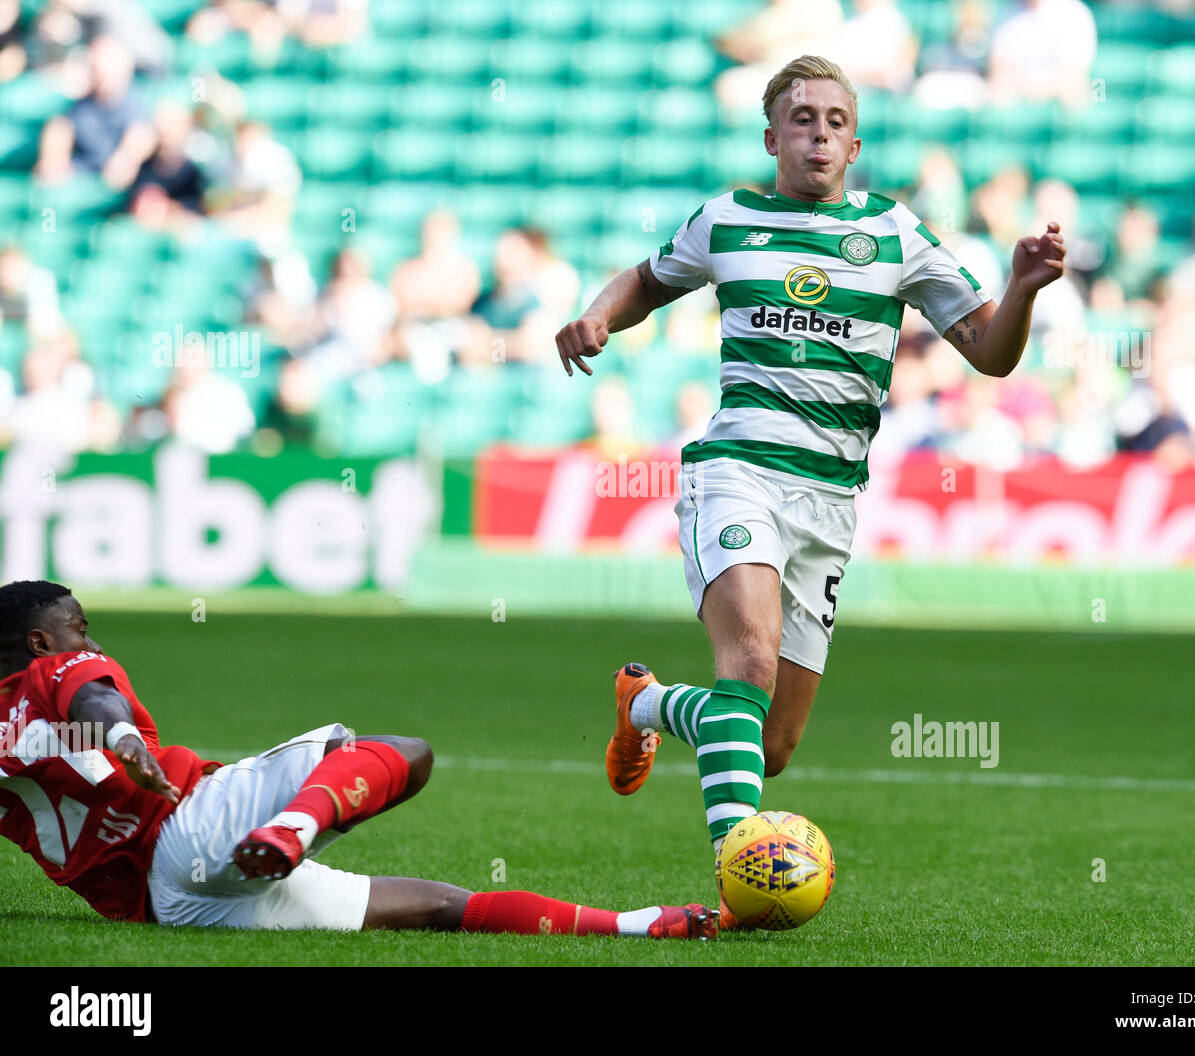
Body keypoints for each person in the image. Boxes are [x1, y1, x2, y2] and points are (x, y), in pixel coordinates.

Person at [554, 54, 1065, 918]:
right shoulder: (728, 219)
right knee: (747, 661)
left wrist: (1019, 287)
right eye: (801, 118)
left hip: (829, 503)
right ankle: (736, 871)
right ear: (772, 137)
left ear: (854, 140)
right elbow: (646, 280)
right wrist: (600, 313)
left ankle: (646, 706)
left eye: (834, 120)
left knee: (771, 744)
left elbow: (989, 351)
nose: (818, 132)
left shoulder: (897, 234)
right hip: (738, 472)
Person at [0, 580, 717, 938]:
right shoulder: (52, 671)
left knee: (435, 907)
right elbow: (95, 702)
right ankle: (293, 830)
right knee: (402, 752)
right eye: (76, 628)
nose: (84, 639)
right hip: (187, 827)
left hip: (169, 907)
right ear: (39, 643)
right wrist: (125, 743)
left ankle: (635, 923)